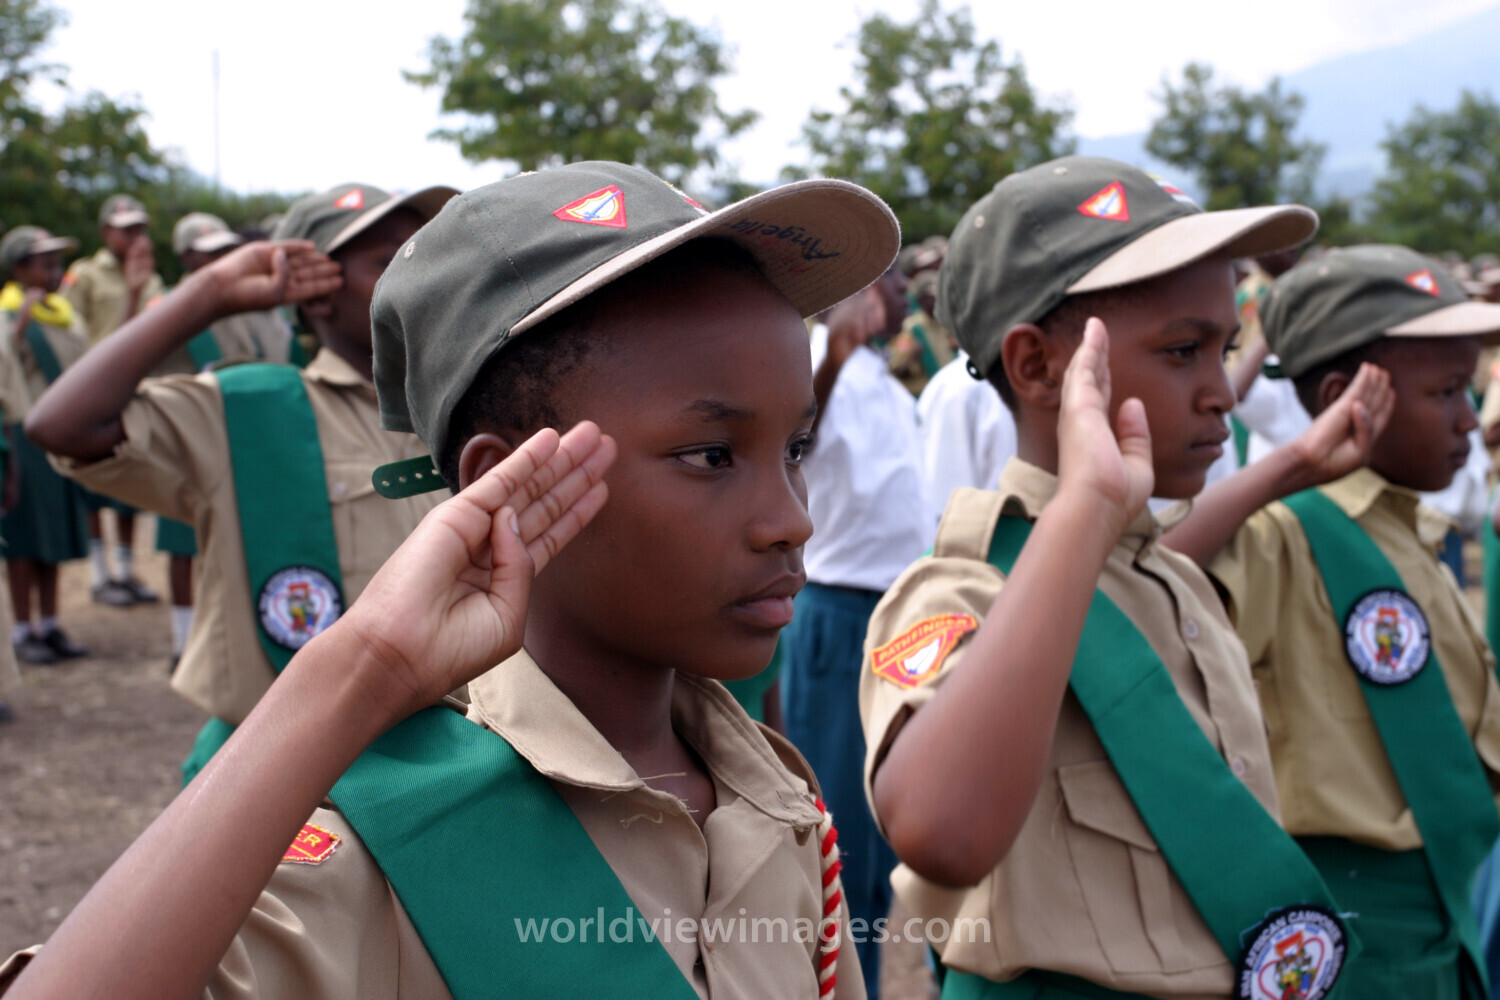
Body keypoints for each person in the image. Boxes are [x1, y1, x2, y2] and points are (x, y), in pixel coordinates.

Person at [1, 160, 901, 1000]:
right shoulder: (390, 845)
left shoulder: (773, 798)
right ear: (502, 484)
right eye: (711, 454)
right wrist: (361, 670)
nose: (792, 518)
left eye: (794, 449)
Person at [861, 157, 1387, 999]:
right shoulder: (957, 592)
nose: (1221, 391)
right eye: (1183, 351)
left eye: (1227, 348)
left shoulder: (1164, 581)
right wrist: (1087, 499)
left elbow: (1131, 588)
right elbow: (939, 831)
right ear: (1037, 369)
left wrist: (1288, 465)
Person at [29, 183, 455, 782]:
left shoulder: (468, 412)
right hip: (294, 782)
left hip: (458, 761)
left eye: (425, 250)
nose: (423, 275)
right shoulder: (252, 411)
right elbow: (64, 424)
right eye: (387, 260)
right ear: (318, 295)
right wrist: (210, 292)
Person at [1162, 245, 1500, 999]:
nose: (1470, 420)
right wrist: (1291, 465)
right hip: (1349, 918)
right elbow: (1140, 590)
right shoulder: (1281, 534)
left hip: (1441, 902)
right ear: (1350, 397)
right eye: (1446, 392)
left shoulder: (1408, 527)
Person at [786, 257, 929, 996]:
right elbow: (793, 441)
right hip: (840, 616)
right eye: (897, 282)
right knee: (839, 828)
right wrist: (835, 351)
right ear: (864, 295)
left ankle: (869, 982)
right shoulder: (817, 361)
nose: (908, 295)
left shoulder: (884, 379)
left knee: (883, 837)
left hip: (899, 617)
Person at [153, 212, 299, 669]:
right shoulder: (170, 307)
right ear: (186, 257)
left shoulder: (255, 304)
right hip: (187, 435)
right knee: (182, 543)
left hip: (249, 436)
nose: (219, 258)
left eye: (225, 249)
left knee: (239, 541)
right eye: (208, 252)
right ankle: (181, 642)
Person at [62, 193, 166, 607]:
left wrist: (140, 287)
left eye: (139, 228)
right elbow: (71, 335)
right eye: (126, 229)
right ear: (106, 233)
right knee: (92, 484)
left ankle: (125, 573)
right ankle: (100, 574)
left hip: (134, 391)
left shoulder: (150, 278)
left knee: (127, 481)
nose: (134, 236)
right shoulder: (84, 274)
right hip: (90, 392)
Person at [0, 227, 92, 665]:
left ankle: (52, 623)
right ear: (19, 269)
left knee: (53, 534)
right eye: (44, 263)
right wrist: (20, 328)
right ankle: (24, 628)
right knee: (24, 539)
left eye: (57, 262)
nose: (54, 271)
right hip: (24, 435)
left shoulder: (64, 314)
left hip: (59, 438)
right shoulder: (8, 315)